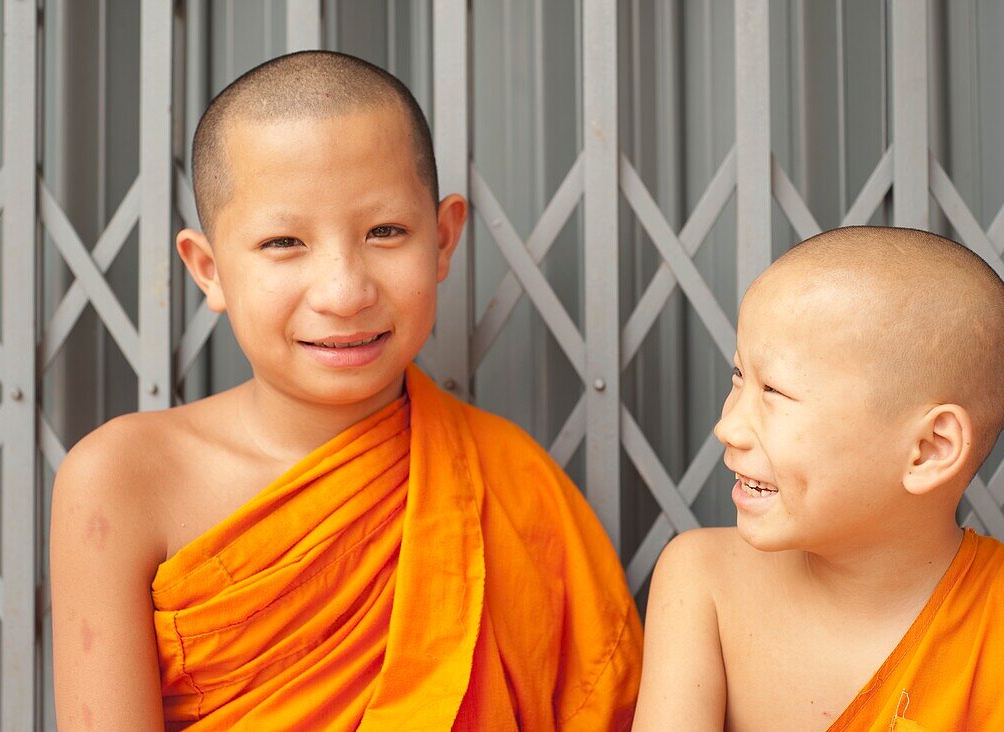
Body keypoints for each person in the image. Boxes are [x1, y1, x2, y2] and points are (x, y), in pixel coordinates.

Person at [50, 51, 641, 731]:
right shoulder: (124, 480)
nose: (344, 292)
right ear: (208, 269)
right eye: (283, 242)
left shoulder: (514, 484)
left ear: (444, 238)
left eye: (385, 232)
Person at [632, 226, 1004, 731]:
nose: (727, 426)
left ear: (930, 450)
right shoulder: (702, 580)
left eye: (774, 391)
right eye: (738, 377)